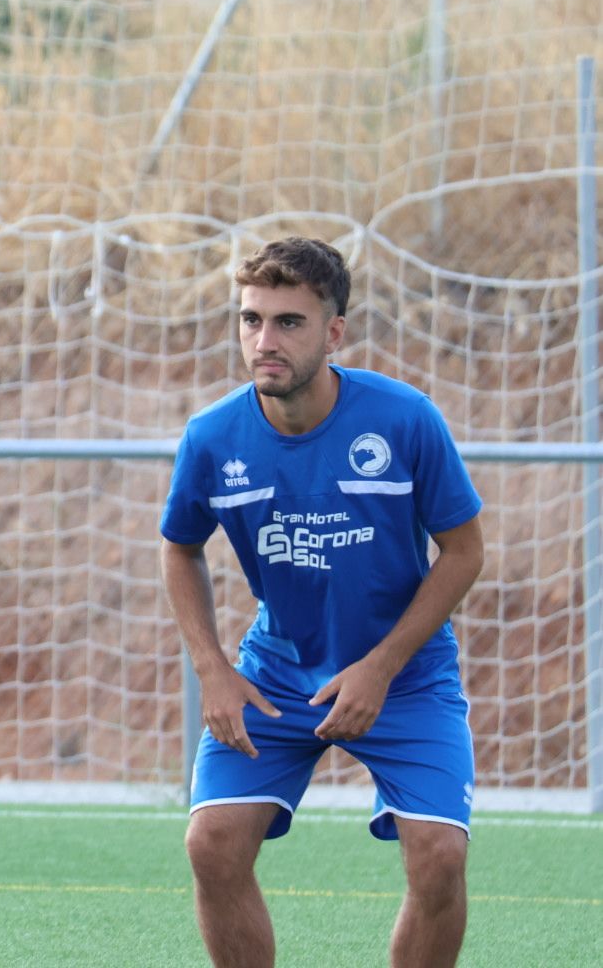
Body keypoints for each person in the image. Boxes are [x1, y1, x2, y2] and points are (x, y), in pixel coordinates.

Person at [160, 237, 484, 968]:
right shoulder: (212, 437)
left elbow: (464, 551)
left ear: (334, 331)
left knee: (438, 857)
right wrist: (212, 668)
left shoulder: (405, 420)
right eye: (250, 320)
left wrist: (381, 666)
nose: (263, 341)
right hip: (276, 670)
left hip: (406, 674)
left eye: (288, 322)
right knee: (211, 845)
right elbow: (179, 548)